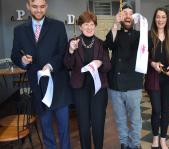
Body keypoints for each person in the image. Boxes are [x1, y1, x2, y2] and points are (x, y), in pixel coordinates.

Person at [10, 0, 72, 148]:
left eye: (42, 6)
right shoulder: (19, 30)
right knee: (46, 128)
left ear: (46, 6)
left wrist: (50, 65)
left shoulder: (58, 26)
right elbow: (14, 55)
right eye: (35, 6)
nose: (39, 10)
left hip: (59, 85)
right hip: (38, 88)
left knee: (64, 128)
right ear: (28, 6)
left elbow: (63, 51)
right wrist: (23, 60)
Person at [64, 11, 111, 149]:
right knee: (83, 125)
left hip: (99, 89)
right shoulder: (73, 43)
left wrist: (100, 63)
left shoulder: (102, 44)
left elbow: (108, 65)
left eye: (92, 24)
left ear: (95, 26)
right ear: (80, 26)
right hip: (80, 89)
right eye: (86, 24)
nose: (89, 27)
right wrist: (71, 51)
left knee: (98, 123)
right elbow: (67, 65)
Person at [104, 3, 143, 149]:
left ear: (134, 18)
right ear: (120, 17)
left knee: (135, 119)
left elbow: (149, 48)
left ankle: (135, 144)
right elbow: (108, 44)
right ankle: (124, 144)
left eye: (130, 13)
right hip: (115, 84)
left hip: (133, 83)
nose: (127, 16)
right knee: (120, 118)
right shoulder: (116, 32)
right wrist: (114, 24)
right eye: (124, 13)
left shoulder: (140, 35)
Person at [144, 7, 169, 149]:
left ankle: (163, 139)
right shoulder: (148, 35)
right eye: (158, 17)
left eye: (163, 17)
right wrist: (152, 63)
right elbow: (143, 57)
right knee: (156, 110)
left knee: (165, 110)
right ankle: (155, 138)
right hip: (153, 78)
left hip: (168, 79)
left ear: (167, 19)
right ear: (154, 18)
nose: (160, 20)